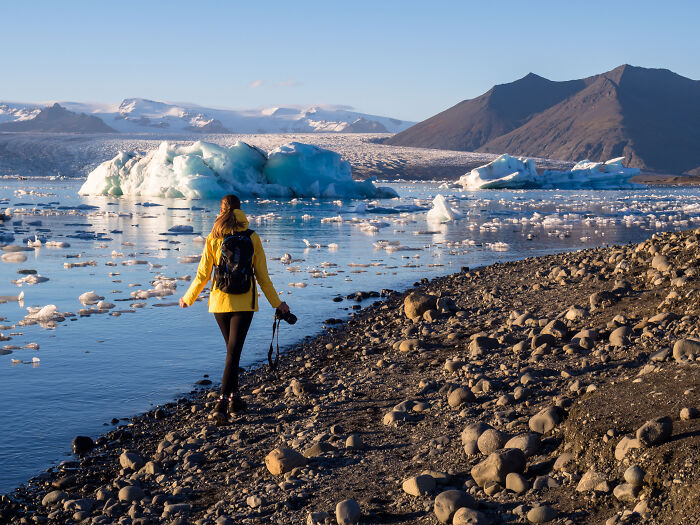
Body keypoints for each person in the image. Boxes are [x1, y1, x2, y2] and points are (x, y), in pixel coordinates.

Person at [179, 194, 289, 422]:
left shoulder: (213, 237)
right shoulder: (252, 237)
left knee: (232, 352)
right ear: (241, 210)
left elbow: (203, 274)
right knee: (233, 352)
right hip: (244, 304)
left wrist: (188, 298)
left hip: (219, 303)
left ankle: (235, 399)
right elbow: (263, 277)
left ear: (221, 211)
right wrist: (277, 304)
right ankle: (221, 403)